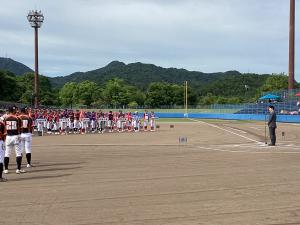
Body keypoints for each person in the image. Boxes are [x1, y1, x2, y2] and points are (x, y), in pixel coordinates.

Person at [3, 106, 26, 174]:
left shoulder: (5, 118)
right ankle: (18, 169)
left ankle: (6, 169)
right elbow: (21, 128)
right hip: (16, 136)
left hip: (8, 136)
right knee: (18, 153)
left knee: (7, 153)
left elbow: (4, 127)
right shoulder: (17, 118)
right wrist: (20, 135)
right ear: (13, 111)